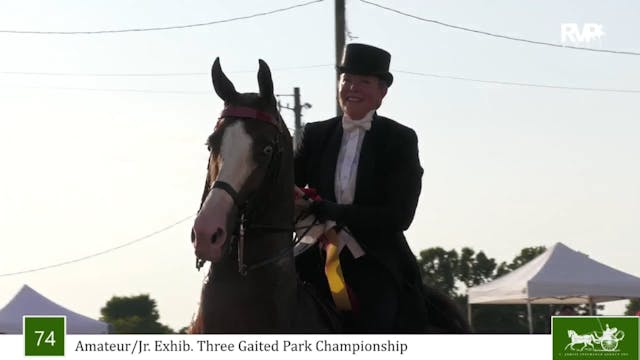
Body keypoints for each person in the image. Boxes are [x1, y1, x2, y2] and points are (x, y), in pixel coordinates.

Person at [294, 43, 428, 333]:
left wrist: (331, 210)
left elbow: (399, 216)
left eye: (364, 82)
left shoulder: (400, 140)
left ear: (382, 92)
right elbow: (287, 185)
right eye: (347, 80)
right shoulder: (314, 134)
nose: (352, 87)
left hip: (374, 260)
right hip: (314, 252)